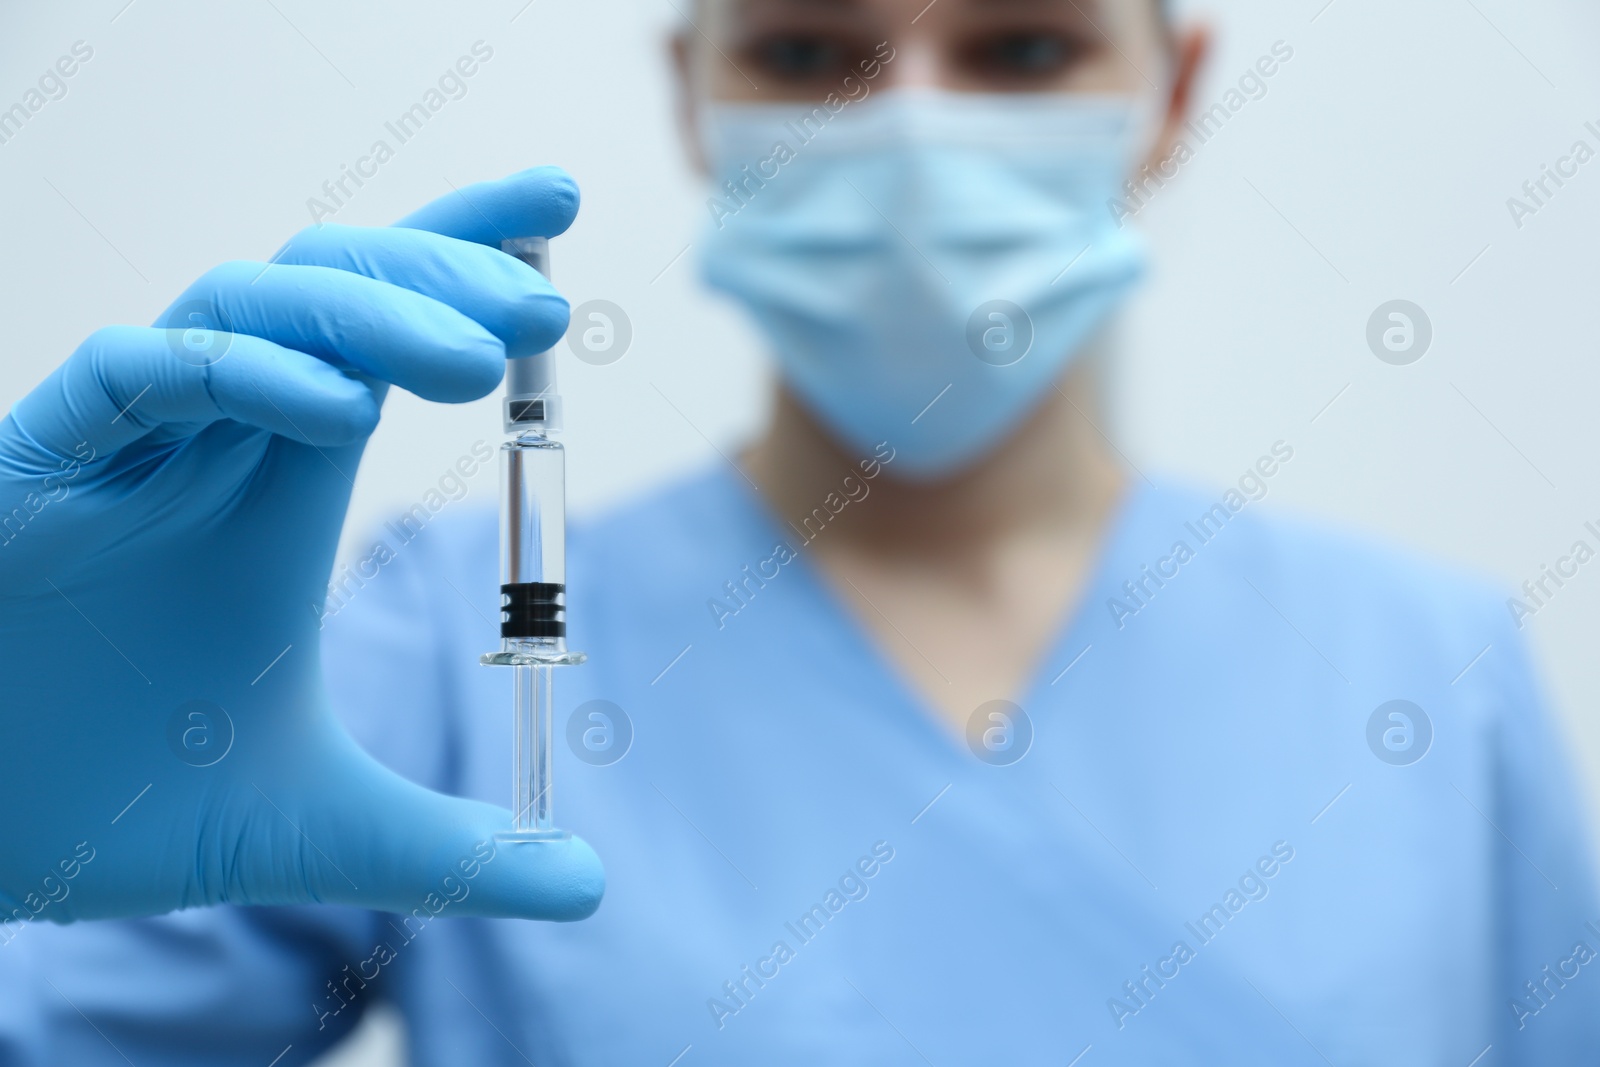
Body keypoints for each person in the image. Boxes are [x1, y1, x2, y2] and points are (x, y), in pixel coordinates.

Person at [1, 0, 1596, 1062]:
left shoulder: (1429, 682)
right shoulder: (438, 646)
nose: (911, 133)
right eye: (812, 48)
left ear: (1171, 92)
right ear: (693, 92)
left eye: (1024, 51)